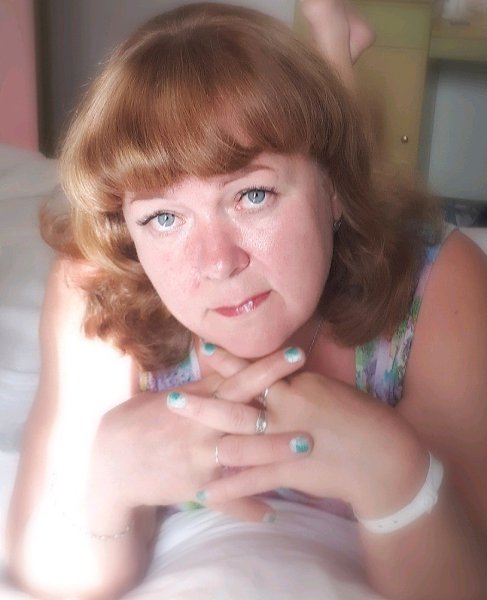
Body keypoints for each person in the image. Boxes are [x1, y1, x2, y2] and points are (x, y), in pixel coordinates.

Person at [6, 1, 487, 599]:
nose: (218, 262)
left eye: (253, 196)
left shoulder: (440, 282)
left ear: (333, 192)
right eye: (163, 217)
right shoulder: (100, 286)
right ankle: (331, 51)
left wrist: (397, 475)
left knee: (334, 149)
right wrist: (104, 482)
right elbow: (44, 576)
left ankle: (333, 52)